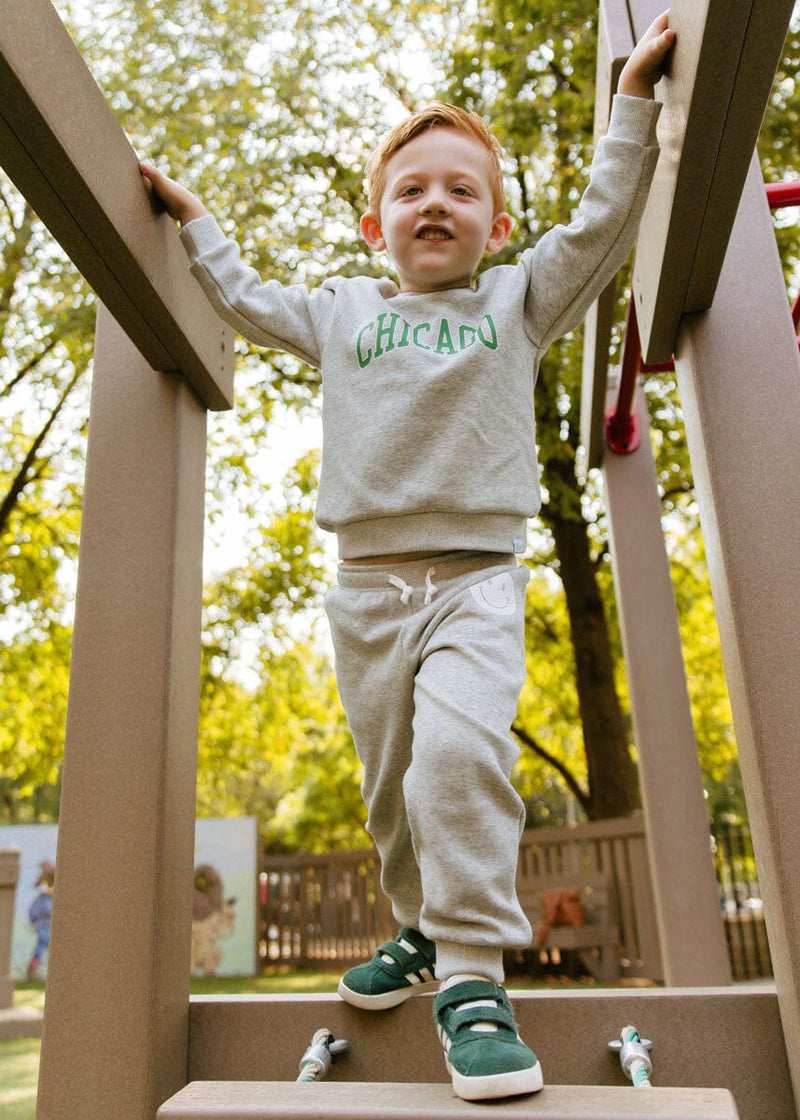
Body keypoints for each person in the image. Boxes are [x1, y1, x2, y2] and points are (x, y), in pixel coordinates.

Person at [140, 11, 675, 1102]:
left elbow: (604, 222)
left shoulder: (517, 299)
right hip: (365, 592)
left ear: (496, 220)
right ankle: (420, 928)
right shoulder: (340, 312)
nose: (435, 204)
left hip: (475, 581)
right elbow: (244, 299)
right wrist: (196, 226)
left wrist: (629, 105)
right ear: (373, 219)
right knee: (392, 795)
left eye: (460, 190)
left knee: (453, 764)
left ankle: (474, 979)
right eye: (411, 189)